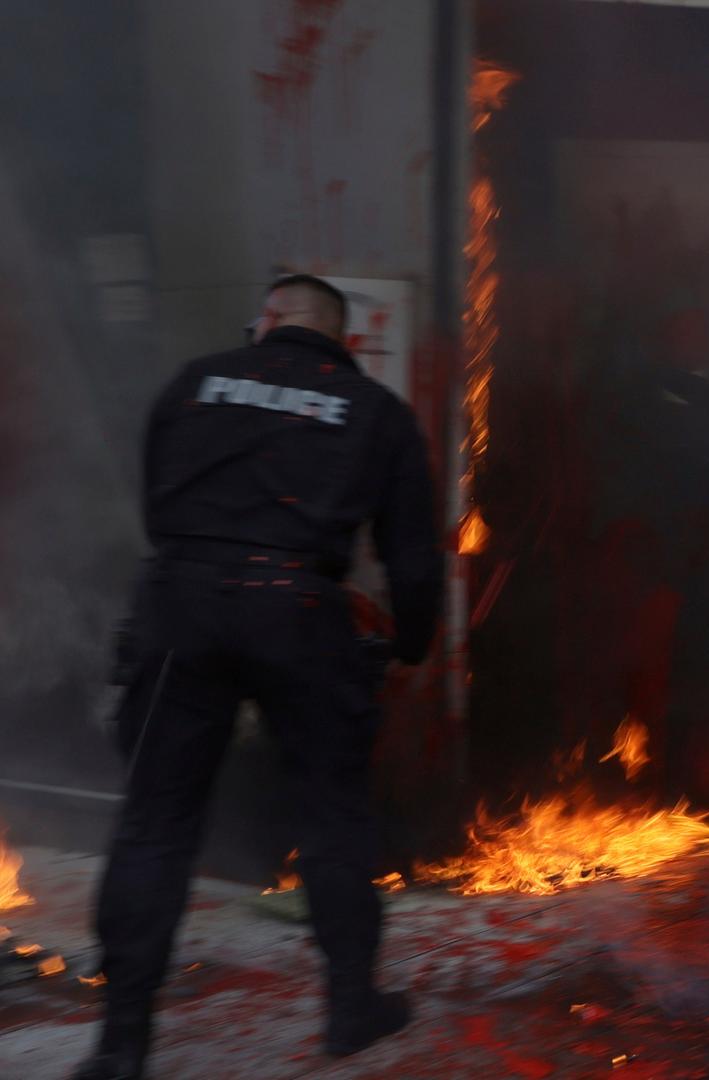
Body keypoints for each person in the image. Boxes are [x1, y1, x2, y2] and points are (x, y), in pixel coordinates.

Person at [73, 275, 443, 1080]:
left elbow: (156, 502)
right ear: (341, 340)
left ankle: (121, 1042)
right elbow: (414, 557)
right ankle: (352, 1008)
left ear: (267, 323)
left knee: (154, 824)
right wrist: (410, 644)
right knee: (332, 817)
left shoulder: (192, 383)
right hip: (300, 611)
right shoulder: (374, 410)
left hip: (182, 604)